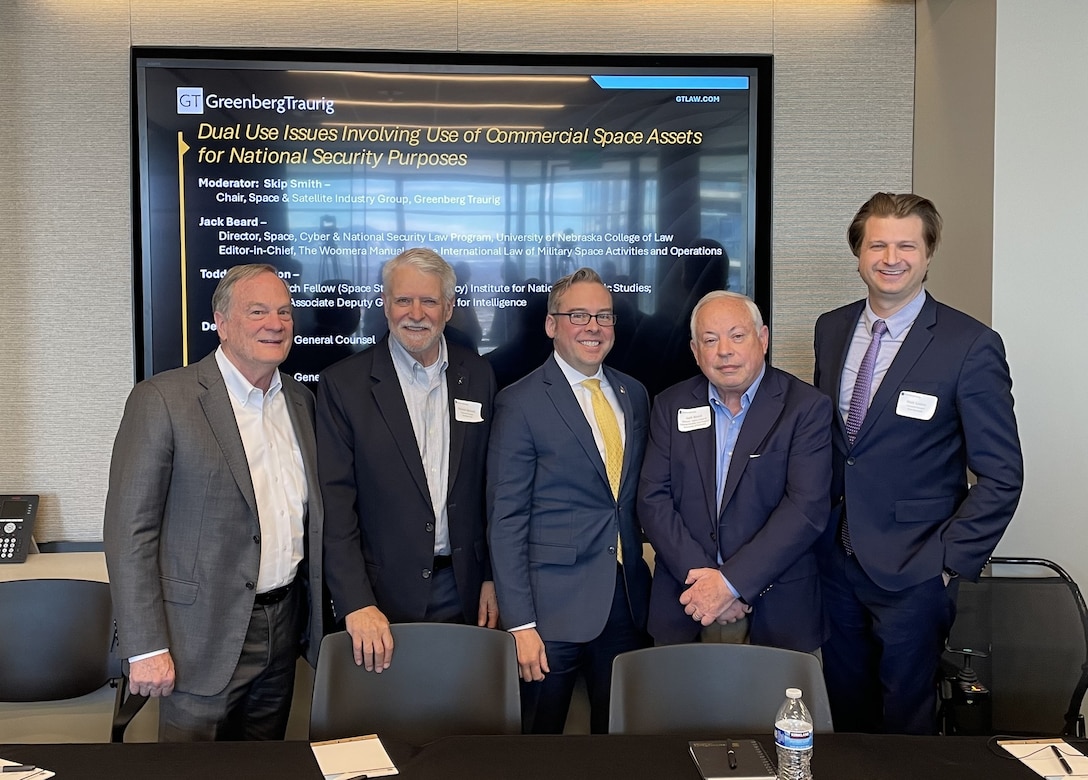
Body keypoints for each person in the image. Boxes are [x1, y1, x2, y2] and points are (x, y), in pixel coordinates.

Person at [813, 192, 1023, 734]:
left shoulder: (970, 344)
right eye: (877, 243)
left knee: (909, 723)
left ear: (929, 254)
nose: (891, 257)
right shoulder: (831, 329)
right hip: (836, 562)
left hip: (917, 570)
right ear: (857, 253)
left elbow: (1002, 475)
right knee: (846, 716)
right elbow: (841, 449)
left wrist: (948, 563)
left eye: (907, 244)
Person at [103, 263, 324, 741]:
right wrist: (145, 647)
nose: (276, 323)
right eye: (258, 311)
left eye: (285, 312)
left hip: (284, 627)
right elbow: (129, 532)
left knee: (263, 767)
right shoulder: (163, 399)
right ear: (221, 323)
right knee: (190, 773)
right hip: (196, 639)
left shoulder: (303, 402)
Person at [318, 248, 498, 674]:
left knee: (460, 719)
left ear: (449, 308)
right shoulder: (343, 385)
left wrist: (492, 577)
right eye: (403, 300)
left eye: (430, 301)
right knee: (382, 728)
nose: (415, 313)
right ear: (385, 304)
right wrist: (355, 602)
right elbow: (335, 506)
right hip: (380, 599)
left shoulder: (479, 375)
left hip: (465, 591)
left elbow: (493, 488)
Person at [487, 267, 652, 734]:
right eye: (578, 315)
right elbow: (507, 518)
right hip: (549, 614)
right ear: (551, 324)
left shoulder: (633, 394)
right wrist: (520, 625)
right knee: (538, 745)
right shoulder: (519, 402)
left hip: (626, 602)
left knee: (618, 739)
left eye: (604, 316)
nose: (593, 326)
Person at [638, 291, 832, 650]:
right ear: (696, 352)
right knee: (678, 707)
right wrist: (704, 586)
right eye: (710, 340)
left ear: (763, 339)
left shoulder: (805, 408)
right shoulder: (670, 405)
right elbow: (653, 500)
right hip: (686, 605)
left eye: (737, 336)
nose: (724, 350)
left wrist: (729, 584)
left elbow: (806, 510)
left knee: (774, 708)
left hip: (777, 609)